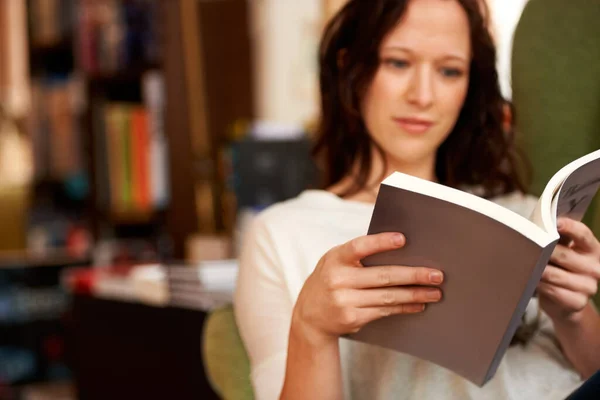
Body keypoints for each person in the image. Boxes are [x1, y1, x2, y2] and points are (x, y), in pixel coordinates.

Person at [233, 0, 600, 399]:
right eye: (398, 63)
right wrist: (312, 328)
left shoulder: (522, 214)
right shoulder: (282, 234)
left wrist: (573, 314)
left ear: (468, 87)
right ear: (349, 68)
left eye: (449, 71)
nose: (423, 96)